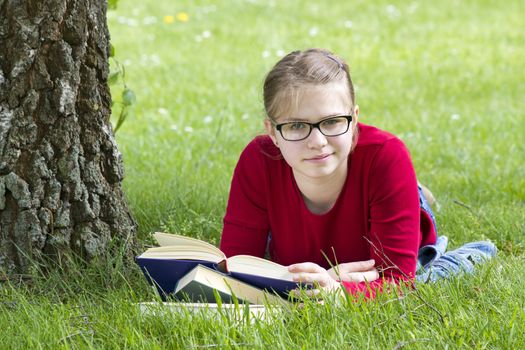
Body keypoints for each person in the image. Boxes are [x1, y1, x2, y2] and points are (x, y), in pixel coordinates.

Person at [219, 48, 439, 298]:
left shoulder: (387, 156)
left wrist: (338, 292)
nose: (318, 141)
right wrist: (328, 278)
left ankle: (413, 192)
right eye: (297, 125)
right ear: (272, 132)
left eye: (332, 121)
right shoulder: (258, 160)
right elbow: (236, 268)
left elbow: (397, 280)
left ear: (354, 119)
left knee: (439, 271)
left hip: (381, 181)